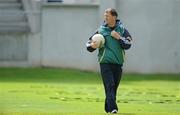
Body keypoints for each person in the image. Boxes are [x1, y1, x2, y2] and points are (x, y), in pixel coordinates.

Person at [86, 8, 132, 114]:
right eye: (105, 15)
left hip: (118, 63)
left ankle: (108, 108)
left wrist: (119, 37)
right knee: (110, 84)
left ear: (114, 17)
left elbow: (128, 45)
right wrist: (92, 46)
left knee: (113, 87)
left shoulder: (122, 30)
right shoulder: (100, 30)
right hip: (105, 63)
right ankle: (113, 108)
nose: (105, 17)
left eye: (107, 15)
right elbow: (88, 44)